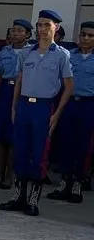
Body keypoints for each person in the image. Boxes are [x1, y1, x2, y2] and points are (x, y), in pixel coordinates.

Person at [0, 10, 74, 217]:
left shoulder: (61, 55)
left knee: (39, 153)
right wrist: (14, 106)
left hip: (44, 107)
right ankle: (18, 197)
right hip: (24, 105)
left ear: (56, 27)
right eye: (39, 25)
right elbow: (19, 79)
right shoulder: (27, 52)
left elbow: (69, 86)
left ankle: (33, 200)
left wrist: (57, 113)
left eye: (46, 25)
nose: (42, 29)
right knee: (21, 151)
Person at [47, 20, 94, 204]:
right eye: (83, 34)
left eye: (90, 35)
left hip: (88, 104)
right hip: (69, 103)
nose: (86, 38)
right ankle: (64, 182)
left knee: (83, 145)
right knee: (65, 141)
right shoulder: (69, 55)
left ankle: (78, 183)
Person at [0, 19, 31, 189]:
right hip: (5, 92)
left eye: (20, 31)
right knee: (1, 137)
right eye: (14, 30)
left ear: (28, 34)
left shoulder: (31, 52)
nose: (15, 34)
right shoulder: (4, 51)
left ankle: (9, 176)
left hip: (21, 92)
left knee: (14, 137)